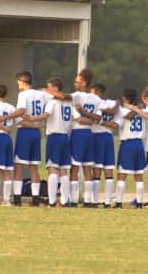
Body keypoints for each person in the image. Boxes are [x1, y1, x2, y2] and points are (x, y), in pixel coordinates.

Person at [0, 71, 52, 206]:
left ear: (22, 81)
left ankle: (17, 198)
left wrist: (5, 117)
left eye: (18, 82)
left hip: (25, 132)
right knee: (34, 166)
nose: (17, 84)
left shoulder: (23, 94)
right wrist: (37, 123)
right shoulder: (42, 94)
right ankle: (35, 198)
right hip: (36, 132)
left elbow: (21, 112)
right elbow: (54, 98)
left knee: (18, 165)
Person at [25, 77, 80, 208]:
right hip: (65, 137)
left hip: (54, 137)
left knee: (52, 168)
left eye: (49, 87)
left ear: (55, 89)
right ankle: (64, 201)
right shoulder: (68, 103)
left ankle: (52, 201)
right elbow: (77, 117)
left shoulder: (53, 101)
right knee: (63, 170)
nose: (47, 90)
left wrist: (33, 119)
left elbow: (46, 115)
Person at [67, 69, 102, 207]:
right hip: (90, 134)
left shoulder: (74, 97)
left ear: (84, 83)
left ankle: (74, 200)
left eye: (77, 81)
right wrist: (92, 121)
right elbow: (98, 117)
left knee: (74, 167)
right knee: (88, 167)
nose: (75, 83)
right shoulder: (96, 99)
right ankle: (89, 200)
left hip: (78, 133)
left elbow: (79, 119)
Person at [108, 89, 148, 209]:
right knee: (139, 175)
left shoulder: (123, 110)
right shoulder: (141, 111)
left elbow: (118, 124)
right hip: (139, 144)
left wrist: (103, 122)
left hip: (127, 144)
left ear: (125, 98)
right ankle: (139, 203)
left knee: (122, 174)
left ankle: (119, 202)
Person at [90, 83, 118, 207]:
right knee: (108, 169)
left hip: (97, 137)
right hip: (108, 137)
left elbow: (94, 119)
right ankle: (107, 202)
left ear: (97, 92)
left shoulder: (95, 104)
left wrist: (100, 121)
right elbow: (115, 124)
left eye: (92, 93)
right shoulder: (112, 103)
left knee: (97, 170)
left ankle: (95, 201)